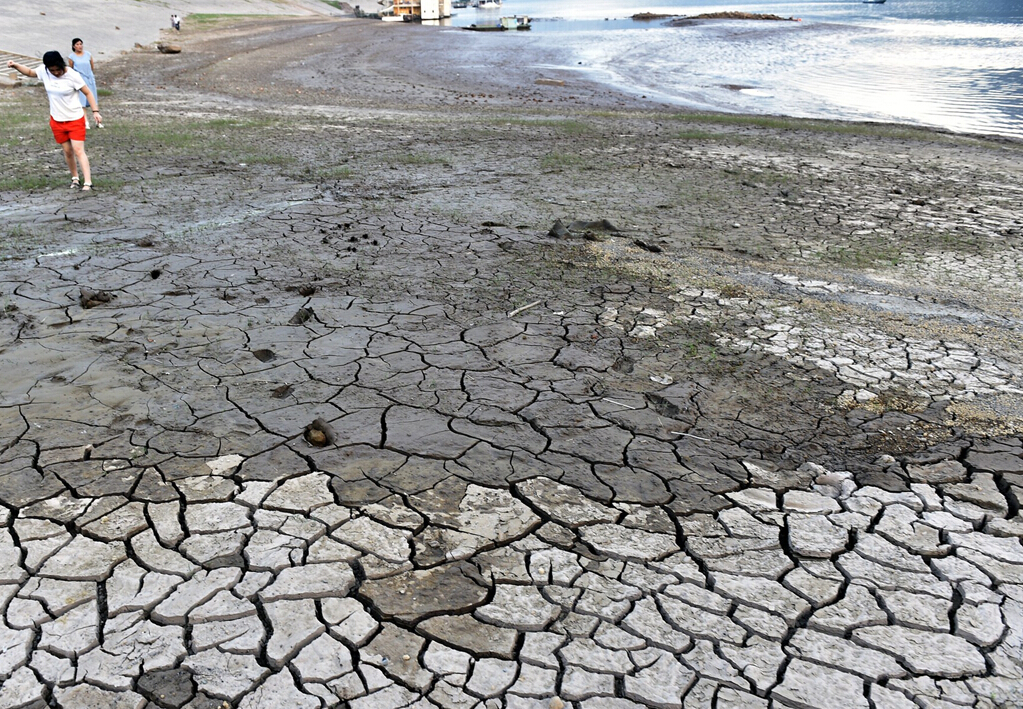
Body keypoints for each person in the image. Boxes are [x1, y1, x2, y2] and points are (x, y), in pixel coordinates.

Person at [7, 51, 102, 192]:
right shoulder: (44, 71)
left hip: (75, 118)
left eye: (58, 69)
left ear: (62, 65)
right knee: (67, 151)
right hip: (57, 119)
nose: (56, 73)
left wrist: (95, 111)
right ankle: (75, 178)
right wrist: (15, 65)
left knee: (78, 150)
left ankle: (88, 182)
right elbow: (30, 72)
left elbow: (87, 92)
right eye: (52, 70)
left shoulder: (72, 75)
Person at [68, 38, 102, 128]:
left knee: (93, 98)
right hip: (79, 80)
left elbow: (91, 67)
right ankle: (85, 121)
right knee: (82, 101)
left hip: (89, 79)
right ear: (73, 46)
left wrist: (90, 76)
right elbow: (71, 69)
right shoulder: (71, 57)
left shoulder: (88, 54)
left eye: (81, 44)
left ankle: (98, 121)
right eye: (77, 44)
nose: (80, 46)